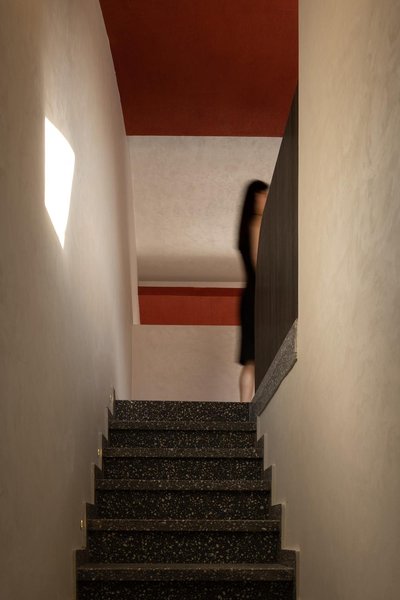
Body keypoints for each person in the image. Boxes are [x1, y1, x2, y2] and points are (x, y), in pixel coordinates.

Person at [237, 180, 269, 403]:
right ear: (255, 198)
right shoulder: (257, 223)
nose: (266, 200)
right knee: (254, 359)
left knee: (252, 359)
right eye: (263, 195)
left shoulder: (246, 226)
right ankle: (246, 408)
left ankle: (244, 405)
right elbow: (259, 264)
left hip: (250, 296)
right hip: (257, 297)